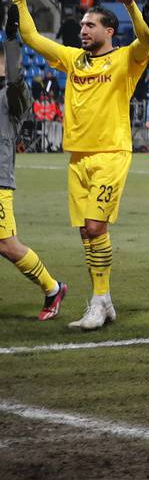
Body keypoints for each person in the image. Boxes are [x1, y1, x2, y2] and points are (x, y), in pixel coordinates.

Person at [3, 0, 149, 331]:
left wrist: (131, 5)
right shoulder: (73, 60)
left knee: (95, 225)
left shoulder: (126, 60)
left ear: (109, 31)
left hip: (111, 153)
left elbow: (146, 39)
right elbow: (32, 37)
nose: (83, 30)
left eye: (91, 25)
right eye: (83, 25)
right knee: (87, 233)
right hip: (77, 158)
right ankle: (105, 300)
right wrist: (20, 1)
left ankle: (98, 302)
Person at [1, 18, 67, 319]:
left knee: (6, 244)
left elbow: (14, 78)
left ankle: (52, 288)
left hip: (0, 180)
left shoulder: (13, 95)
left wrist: (12, 39)